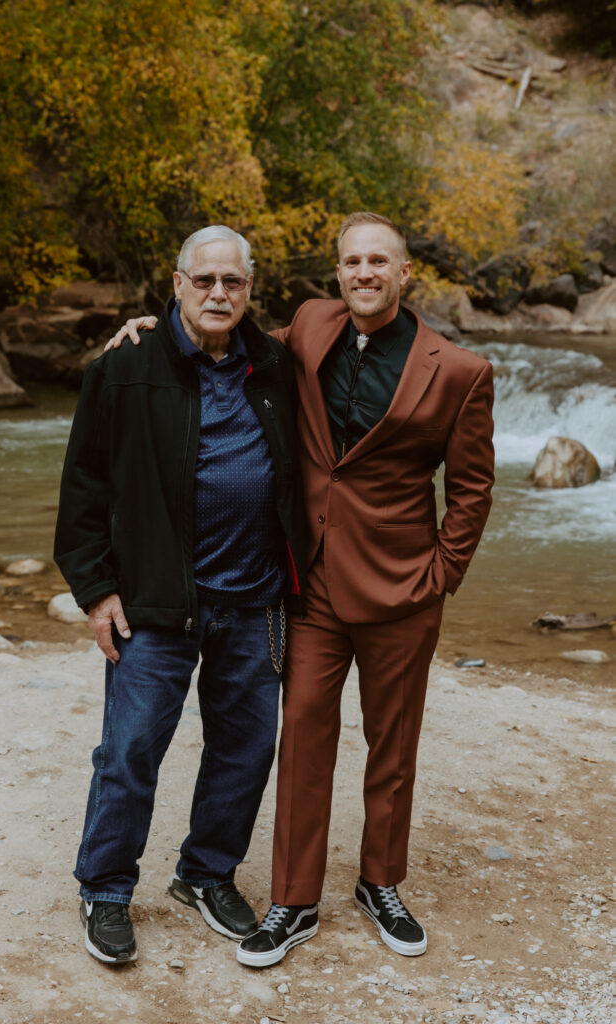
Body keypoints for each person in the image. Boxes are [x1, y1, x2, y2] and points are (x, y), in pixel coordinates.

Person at [107, 211, 495, 967]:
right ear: (336, 272)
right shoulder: (309, 326)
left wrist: (441, 573)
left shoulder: (457, 369)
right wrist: (150, 329)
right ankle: (293, 900)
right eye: (351, 261)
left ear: (403, 272)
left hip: (403, 589)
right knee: (302, 741)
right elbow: (218, 329)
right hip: (310, 584)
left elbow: (472, 488)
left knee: (392, 747)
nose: (363, 274)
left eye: (378, 262)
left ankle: (379, 882)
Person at [54, 224, 306, 964]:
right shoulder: (125, 366)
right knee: (130, 750)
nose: (218, 293)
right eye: (204, 281)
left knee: (245, 750)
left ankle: (205, 875)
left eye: (233, 281)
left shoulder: (276, 365)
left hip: (254, 600)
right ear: (175, 284)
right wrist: (97, 591)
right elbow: (83, 489)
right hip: (155, 604)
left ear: (250, 289)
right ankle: (104, 887)